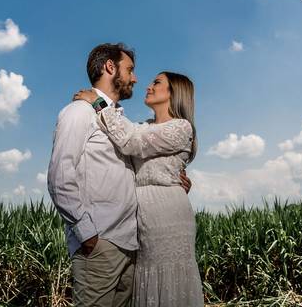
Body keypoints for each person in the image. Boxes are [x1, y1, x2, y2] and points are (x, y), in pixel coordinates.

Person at [47, 43, 191, 307]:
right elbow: (59, 177)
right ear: (110, 67)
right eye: (130, 70)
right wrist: (86, 233)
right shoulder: (79, 111)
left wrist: (173, 177)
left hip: (132, 243)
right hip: (100, 241)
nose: (135, 78)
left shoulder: (121, 120)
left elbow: (138, 149)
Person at [73, 71, 204, 307]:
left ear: (174, 92)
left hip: (168, 215)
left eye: (156, 83)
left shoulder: (181, 127)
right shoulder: (143, 126)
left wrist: (98, 103)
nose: (148, 86)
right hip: (141, 218)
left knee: (169, 278)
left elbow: (131, 141)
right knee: (146, 278)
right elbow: (126, 140)